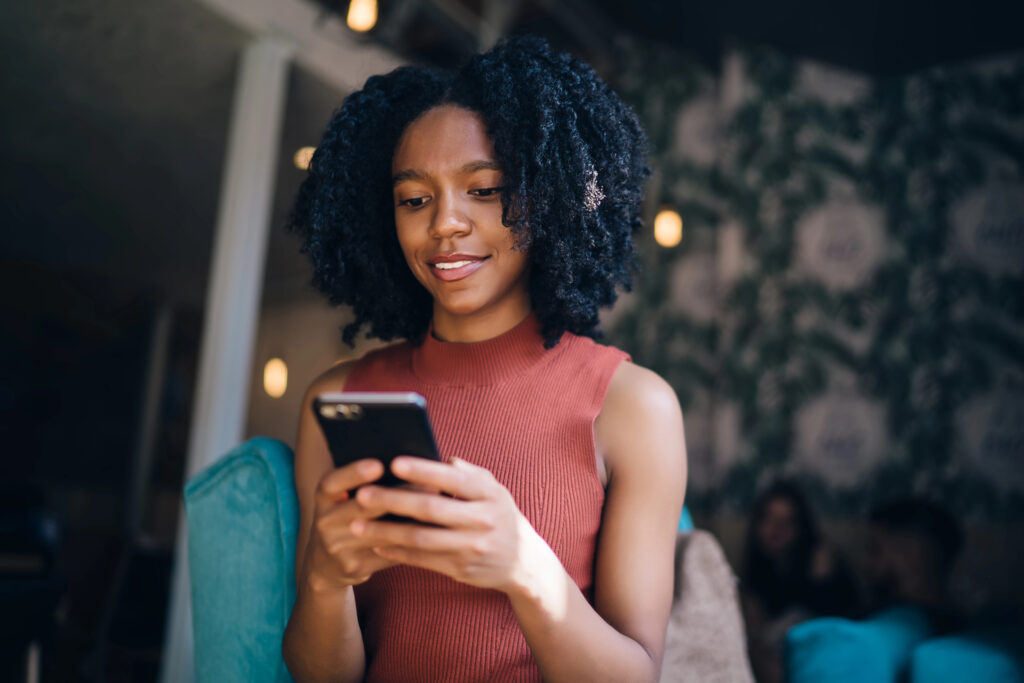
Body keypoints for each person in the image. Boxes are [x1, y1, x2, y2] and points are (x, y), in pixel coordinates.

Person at [280, 36, 687, 682]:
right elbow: (320, 676)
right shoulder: (342, 396)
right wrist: (326, 580)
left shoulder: (634, 407)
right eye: (414, 199)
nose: (445, 223)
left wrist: (524, 566)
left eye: (486, 190)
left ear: (545, 196)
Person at [740, 481, 858, 683]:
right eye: (769, 519)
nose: (776, 529)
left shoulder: (820, 561)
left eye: (788, 521)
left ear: (801, 528)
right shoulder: (758, 571)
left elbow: (824, 624)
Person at [864, 498, 964, 634]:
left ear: (911, 555)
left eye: (875, 550)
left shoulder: (887, 629)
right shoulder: (965, 632)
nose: (866, 563)